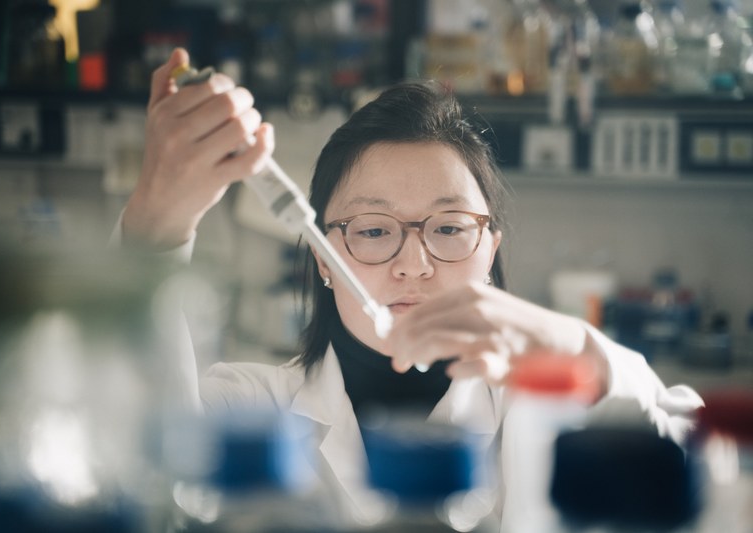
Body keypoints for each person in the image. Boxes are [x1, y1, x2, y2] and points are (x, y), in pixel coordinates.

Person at [115, 49, 703, 529]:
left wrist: (574, 348)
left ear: (489, 251)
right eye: (373, 230)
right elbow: (133, 469)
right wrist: (157, 222)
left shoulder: (548, 414)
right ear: (323, 258)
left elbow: (708, 474)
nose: (414, 265)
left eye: (449, 229)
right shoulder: (251, 410)